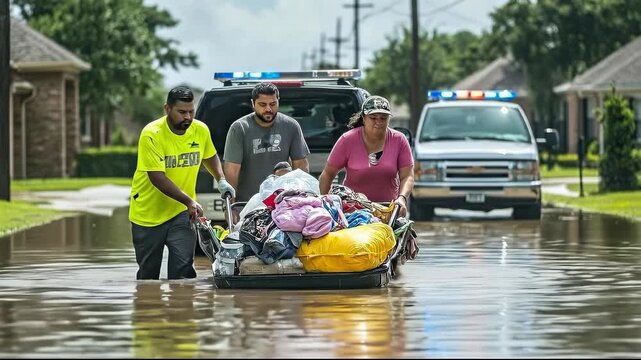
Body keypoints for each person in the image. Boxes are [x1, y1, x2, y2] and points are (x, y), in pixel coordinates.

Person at [129, 86, 235, 280]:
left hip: (182, 213)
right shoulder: (152, 134)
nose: (187, 117)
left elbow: (210, 156)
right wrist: (189, 201)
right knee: (148, 276)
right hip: (148, 214)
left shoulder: (200, 130)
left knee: (183, 270)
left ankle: (182, 308)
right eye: (182, 112)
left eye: (191, 112)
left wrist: (220, 179)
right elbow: (157, 177)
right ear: (167, 109)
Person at [319, 95, 415, 217]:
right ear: (364, 118)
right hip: (353, 211)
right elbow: (327, 174)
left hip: (388, 211)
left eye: (383, 118)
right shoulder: (347, 140)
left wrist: (402, 199)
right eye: (373, 118)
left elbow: (407, 176)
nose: (378, 122)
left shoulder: (399, 140)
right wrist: (326, 205)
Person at [223, 82, 310, 202]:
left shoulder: (291, 126)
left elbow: (301, 165)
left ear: (278, 101)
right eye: (262, 104)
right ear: (253, 103)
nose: (268, 109)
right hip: (247, 203)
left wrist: (299, 198)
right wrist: (231, 204)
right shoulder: (240, 128)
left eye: (273, 104)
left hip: (282, 203)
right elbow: (232, 170)